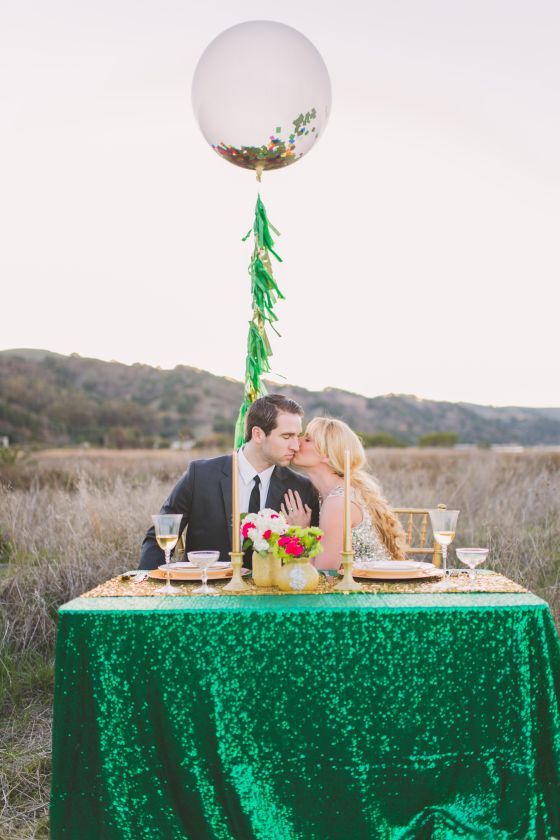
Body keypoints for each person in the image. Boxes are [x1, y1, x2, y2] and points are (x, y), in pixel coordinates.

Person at [139, 394, 320, 570]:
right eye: (287, 437)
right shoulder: (200, 475)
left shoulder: (302, 488)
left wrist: (301, 535)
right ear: (258, 434)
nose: (296, 446)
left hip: (272, 597)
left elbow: (312, 561)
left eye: (297, 436)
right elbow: (159, 536)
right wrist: (148, 589)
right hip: (205, 592)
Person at [286, 417, 407, 570]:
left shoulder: (337, 503)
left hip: (368, 590)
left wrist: (300, 532)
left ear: (327, 455)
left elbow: (324, 574)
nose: (297, 442)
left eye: (308, 439)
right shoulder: (333, 492)